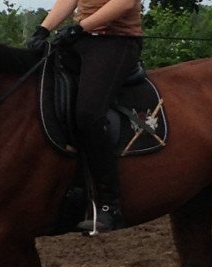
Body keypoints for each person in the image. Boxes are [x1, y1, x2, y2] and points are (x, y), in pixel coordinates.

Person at [26, 0, 143, 232]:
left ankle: (110, 204)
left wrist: (80, 27)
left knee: (88, 114)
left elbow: (125, 3)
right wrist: (43, 30)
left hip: (117, 42)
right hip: (82, 39)